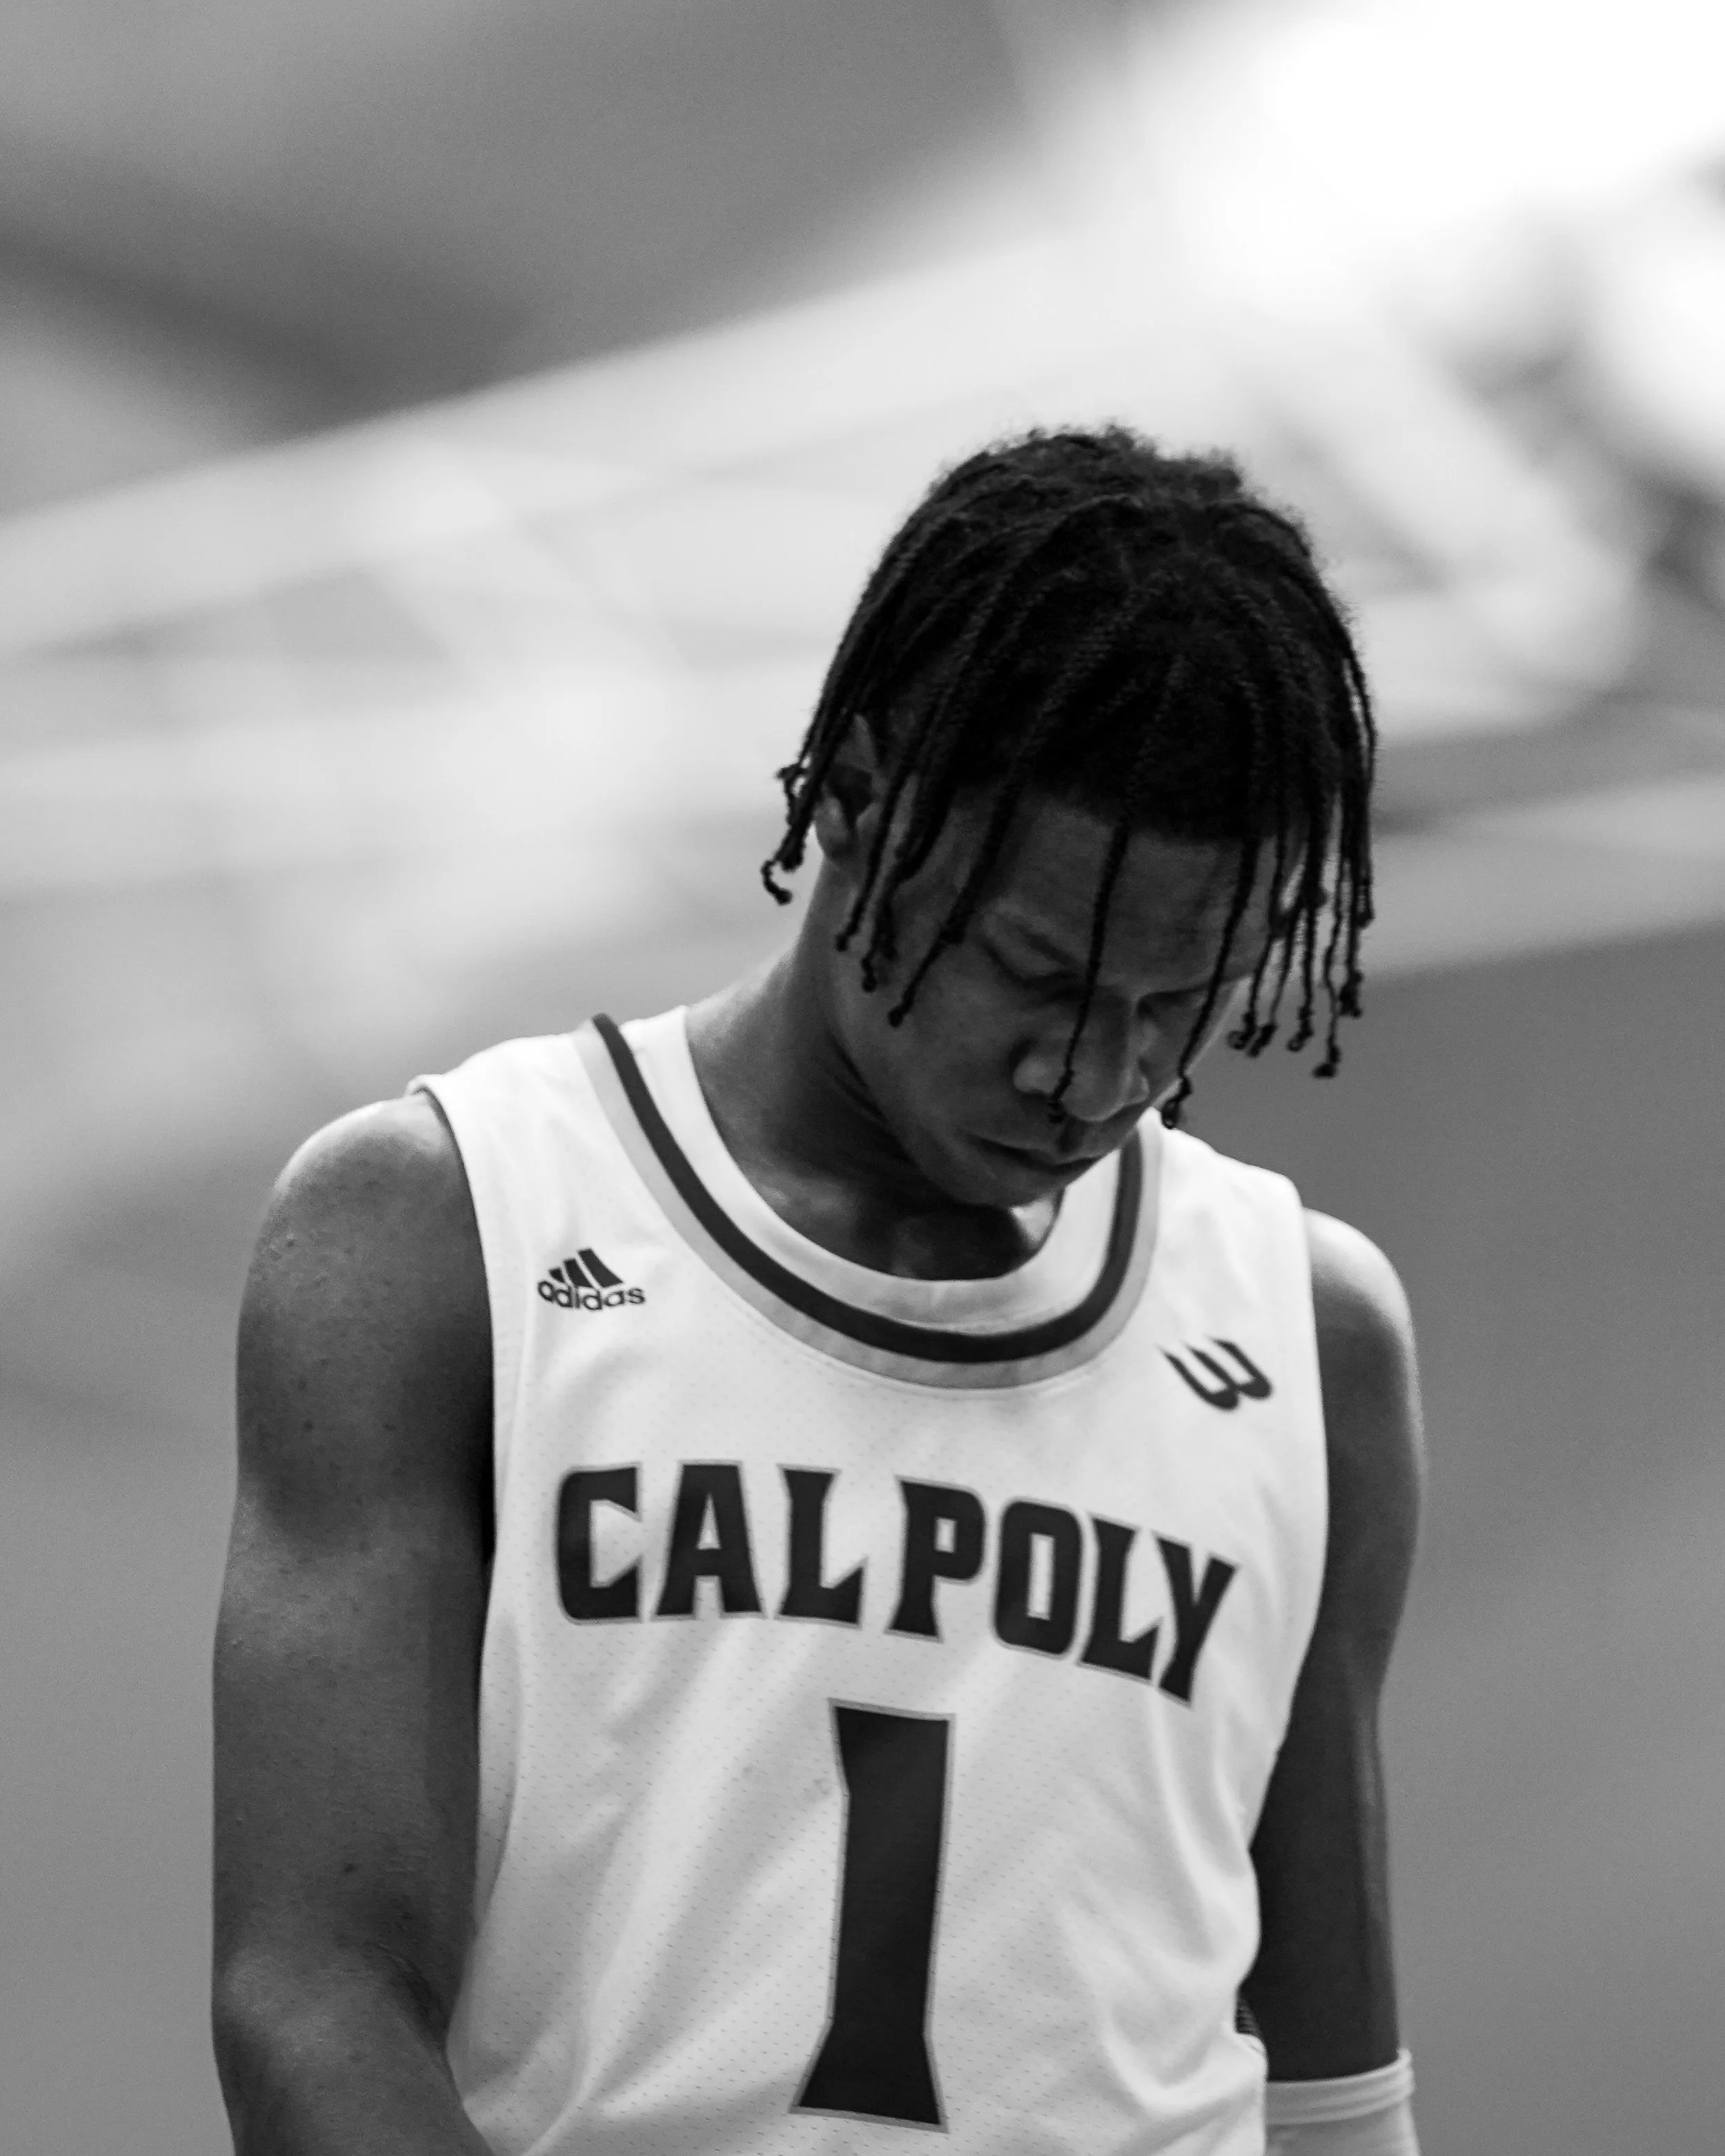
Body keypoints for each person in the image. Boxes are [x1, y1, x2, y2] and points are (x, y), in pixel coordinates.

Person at [213, 426, 1424, 2156]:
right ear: (858, 797)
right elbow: (310, 1998)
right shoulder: (434, 1233)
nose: (1101, 1070)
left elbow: (1329, 2085)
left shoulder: (1307, 1337)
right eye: (1038, 973)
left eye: (1186, 1001)